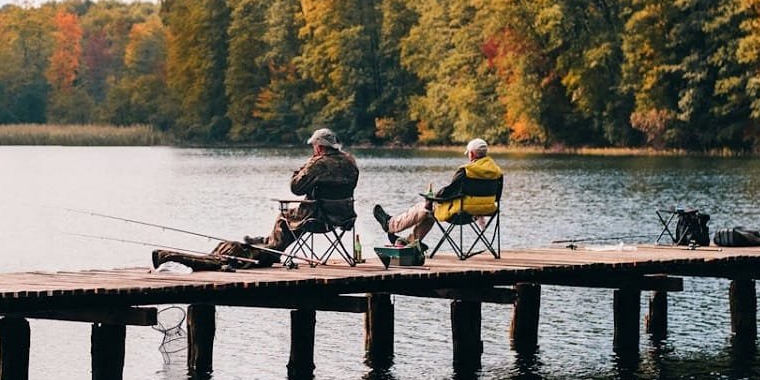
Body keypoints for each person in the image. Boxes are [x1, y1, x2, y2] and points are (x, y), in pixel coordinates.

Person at [152, 128, 359, 271]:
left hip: (318, 217)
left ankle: (270, 250)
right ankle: (265, 244)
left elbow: (296, 188)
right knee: (290, 222)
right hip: (343, 218)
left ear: (320, 147)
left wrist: (305, 166)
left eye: (314, 147)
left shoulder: (318, 163)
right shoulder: (351, 162)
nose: (313, 150)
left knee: (284, 217)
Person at [372, 138, 503, 248]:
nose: (468, 155)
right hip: (484, 211)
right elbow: (497, 197)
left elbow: (449, 191)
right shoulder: (497, 172)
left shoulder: (466, 171)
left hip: (461, 212)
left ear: (473, 154)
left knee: (424, 207)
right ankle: (410, 242)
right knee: (429, 212)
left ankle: (390, 224)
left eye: (468, 153)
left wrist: (434, 197)